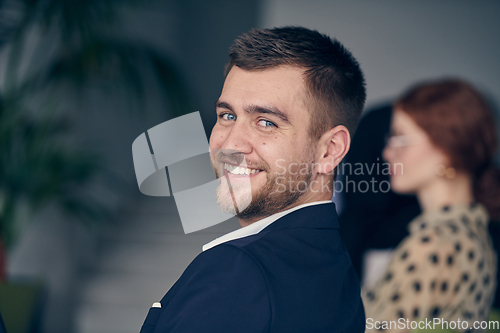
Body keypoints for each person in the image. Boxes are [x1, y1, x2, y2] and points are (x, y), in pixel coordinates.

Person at [139, 26, 366, 332]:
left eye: (266, 122)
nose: (231, 145)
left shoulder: (235, 272)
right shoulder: (337, 267)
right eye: (227, 116)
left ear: (330, 150)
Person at [363, 79, 500, 332]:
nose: (387, 153)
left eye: (400, 139)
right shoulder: (473, 233)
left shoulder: (435, 244)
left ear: (446, 148)